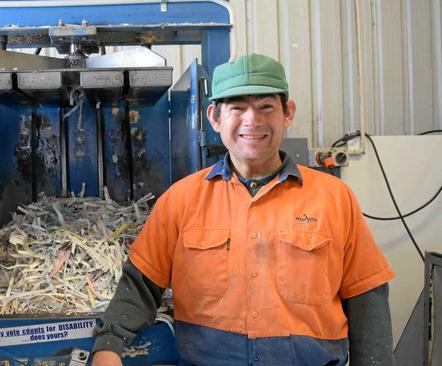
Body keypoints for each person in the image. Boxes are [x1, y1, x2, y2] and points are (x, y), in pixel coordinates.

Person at [91, 53, 395, 365]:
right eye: (237, 108)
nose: (252, 120)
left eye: (265, 106)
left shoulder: (334, 198)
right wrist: (108, 345)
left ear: (287, 113)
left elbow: (367, 297)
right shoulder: (181, 200)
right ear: (215, 117)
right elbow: (140, 284)